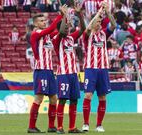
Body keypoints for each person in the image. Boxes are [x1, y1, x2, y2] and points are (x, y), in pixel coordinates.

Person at [27, 5, 67, 133]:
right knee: (39, 98)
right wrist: (60, 15)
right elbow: (51, 28)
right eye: (41, 21)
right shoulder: (36, 34)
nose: (44, 22)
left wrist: (65, 18)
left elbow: (60, 31)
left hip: (50, 71)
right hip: (41, 70)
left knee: (54, 98)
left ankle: (51, 126)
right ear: (35, 24)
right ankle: (31, 127)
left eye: (45, 20)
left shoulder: (48, 36)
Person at [82, 1, 116, 132]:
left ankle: (99, 125)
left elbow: (113, 25)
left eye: (100, 21)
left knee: (102, 97)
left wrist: (107, 11)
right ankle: (86, 123)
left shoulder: (104, 34)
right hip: (91, 69)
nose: (99, 22)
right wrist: (98, 13)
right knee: (88, 95)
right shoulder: (88, 35)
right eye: (96, 21)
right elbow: (88, 28)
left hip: (103, 69)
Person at [52, 1, 85, 133]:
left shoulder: (71, 39)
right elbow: (61, 30)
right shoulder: (56, 39)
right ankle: (59, 127)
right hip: (63, 74)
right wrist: (65, 15)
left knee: (74, 100)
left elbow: (83, 30)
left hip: (73, 74)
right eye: (66, 27)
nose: (68, 28)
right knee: (63, 100)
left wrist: (80, 15)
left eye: (68, 27)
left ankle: (72, 127)